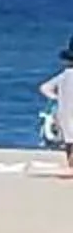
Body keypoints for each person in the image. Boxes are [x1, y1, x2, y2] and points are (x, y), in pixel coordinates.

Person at [41, 39, 73, 172]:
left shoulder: (65, 75)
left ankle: (71, 166)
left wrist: (57, 98)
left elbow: (45, 87)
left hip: (64, 114)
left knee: (69, 143)